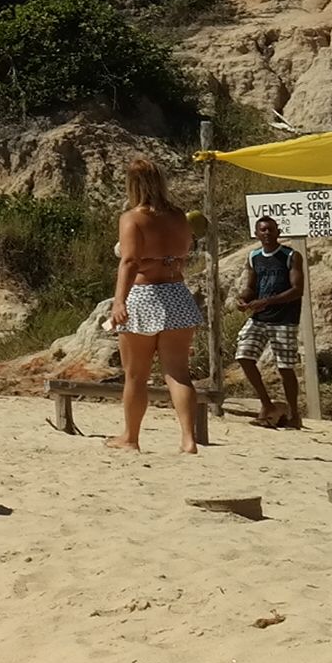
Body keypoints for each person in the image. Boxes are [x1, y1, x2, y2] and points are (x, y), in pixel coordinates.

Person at [105, 157, 206, 454]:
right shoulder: (179, 217)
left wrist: (119, 300)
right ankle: (189, 439)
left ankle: (131, 437)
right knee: (178, 372)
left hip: (145, 295)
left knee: (136, 374)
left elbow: (130, 261)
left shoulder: (132, 218)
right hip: (176, 292)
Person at [232, 212, 307, 429]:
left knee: (285, 366)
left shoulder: (290, 256)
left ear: (278, 232)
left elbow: (297, 289)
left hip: (284, 318)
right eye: (262, 230)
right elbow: (251, 286)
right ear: (256, 233)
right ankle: (267, 404)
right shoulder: (254, 257)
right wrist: (244, 298)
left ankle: (293, 413)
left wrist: (267, 301)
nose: (266, 233)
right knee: (244, 356)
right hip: (260, 317)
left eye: (270, 230)